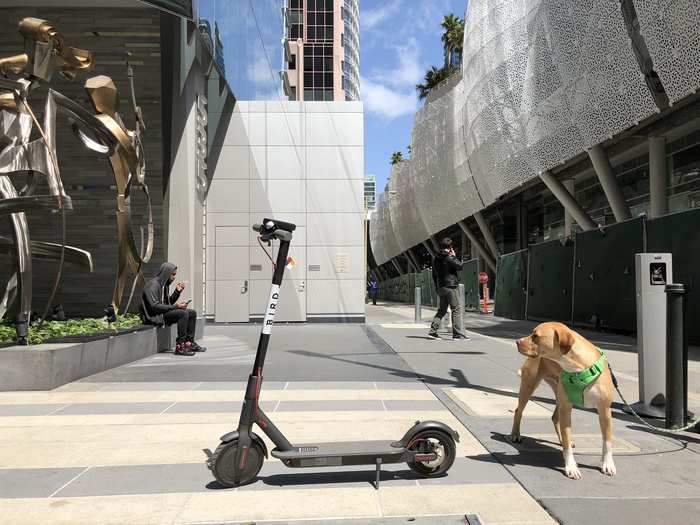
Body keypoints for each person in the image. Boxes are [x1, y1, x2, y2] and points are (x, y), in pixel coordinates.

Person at [140, 262, 205, 356]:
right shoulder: (153, 285)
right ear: (166, 273)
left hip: (162, 313)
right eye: (173, 274)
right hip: (154, 316)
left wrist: (177, 292)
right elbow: (154, 306)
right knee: (183, 313)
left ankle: (189, 343)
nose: (174, 277)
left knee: (192, 313)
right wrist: (176, 306)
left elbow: (167, 303)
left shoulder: (164, 285)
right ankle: (180, 346)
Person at [428, 237, 469, 340]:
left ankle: (432, 332)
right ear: (450, 248)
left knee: (441, 310)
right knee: (456, 309)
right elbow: (460, 266)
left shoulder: (435, 258)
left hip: (441, 286)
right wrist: (454, 256)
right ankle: (457, 334)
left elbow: (434, 275)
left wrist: (437, 287)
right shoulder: (449, 257)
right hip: (451, 286)